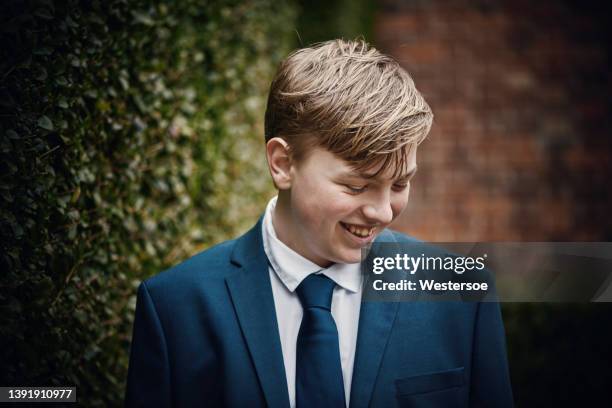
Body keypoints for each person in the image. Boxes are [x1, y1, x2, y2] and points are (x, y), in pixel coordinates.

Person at [125, 39, 513, 407]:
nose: (381, 211)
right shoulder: (174, 307)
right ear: (282, 163)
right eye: (356, 185)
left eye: (399, 183)